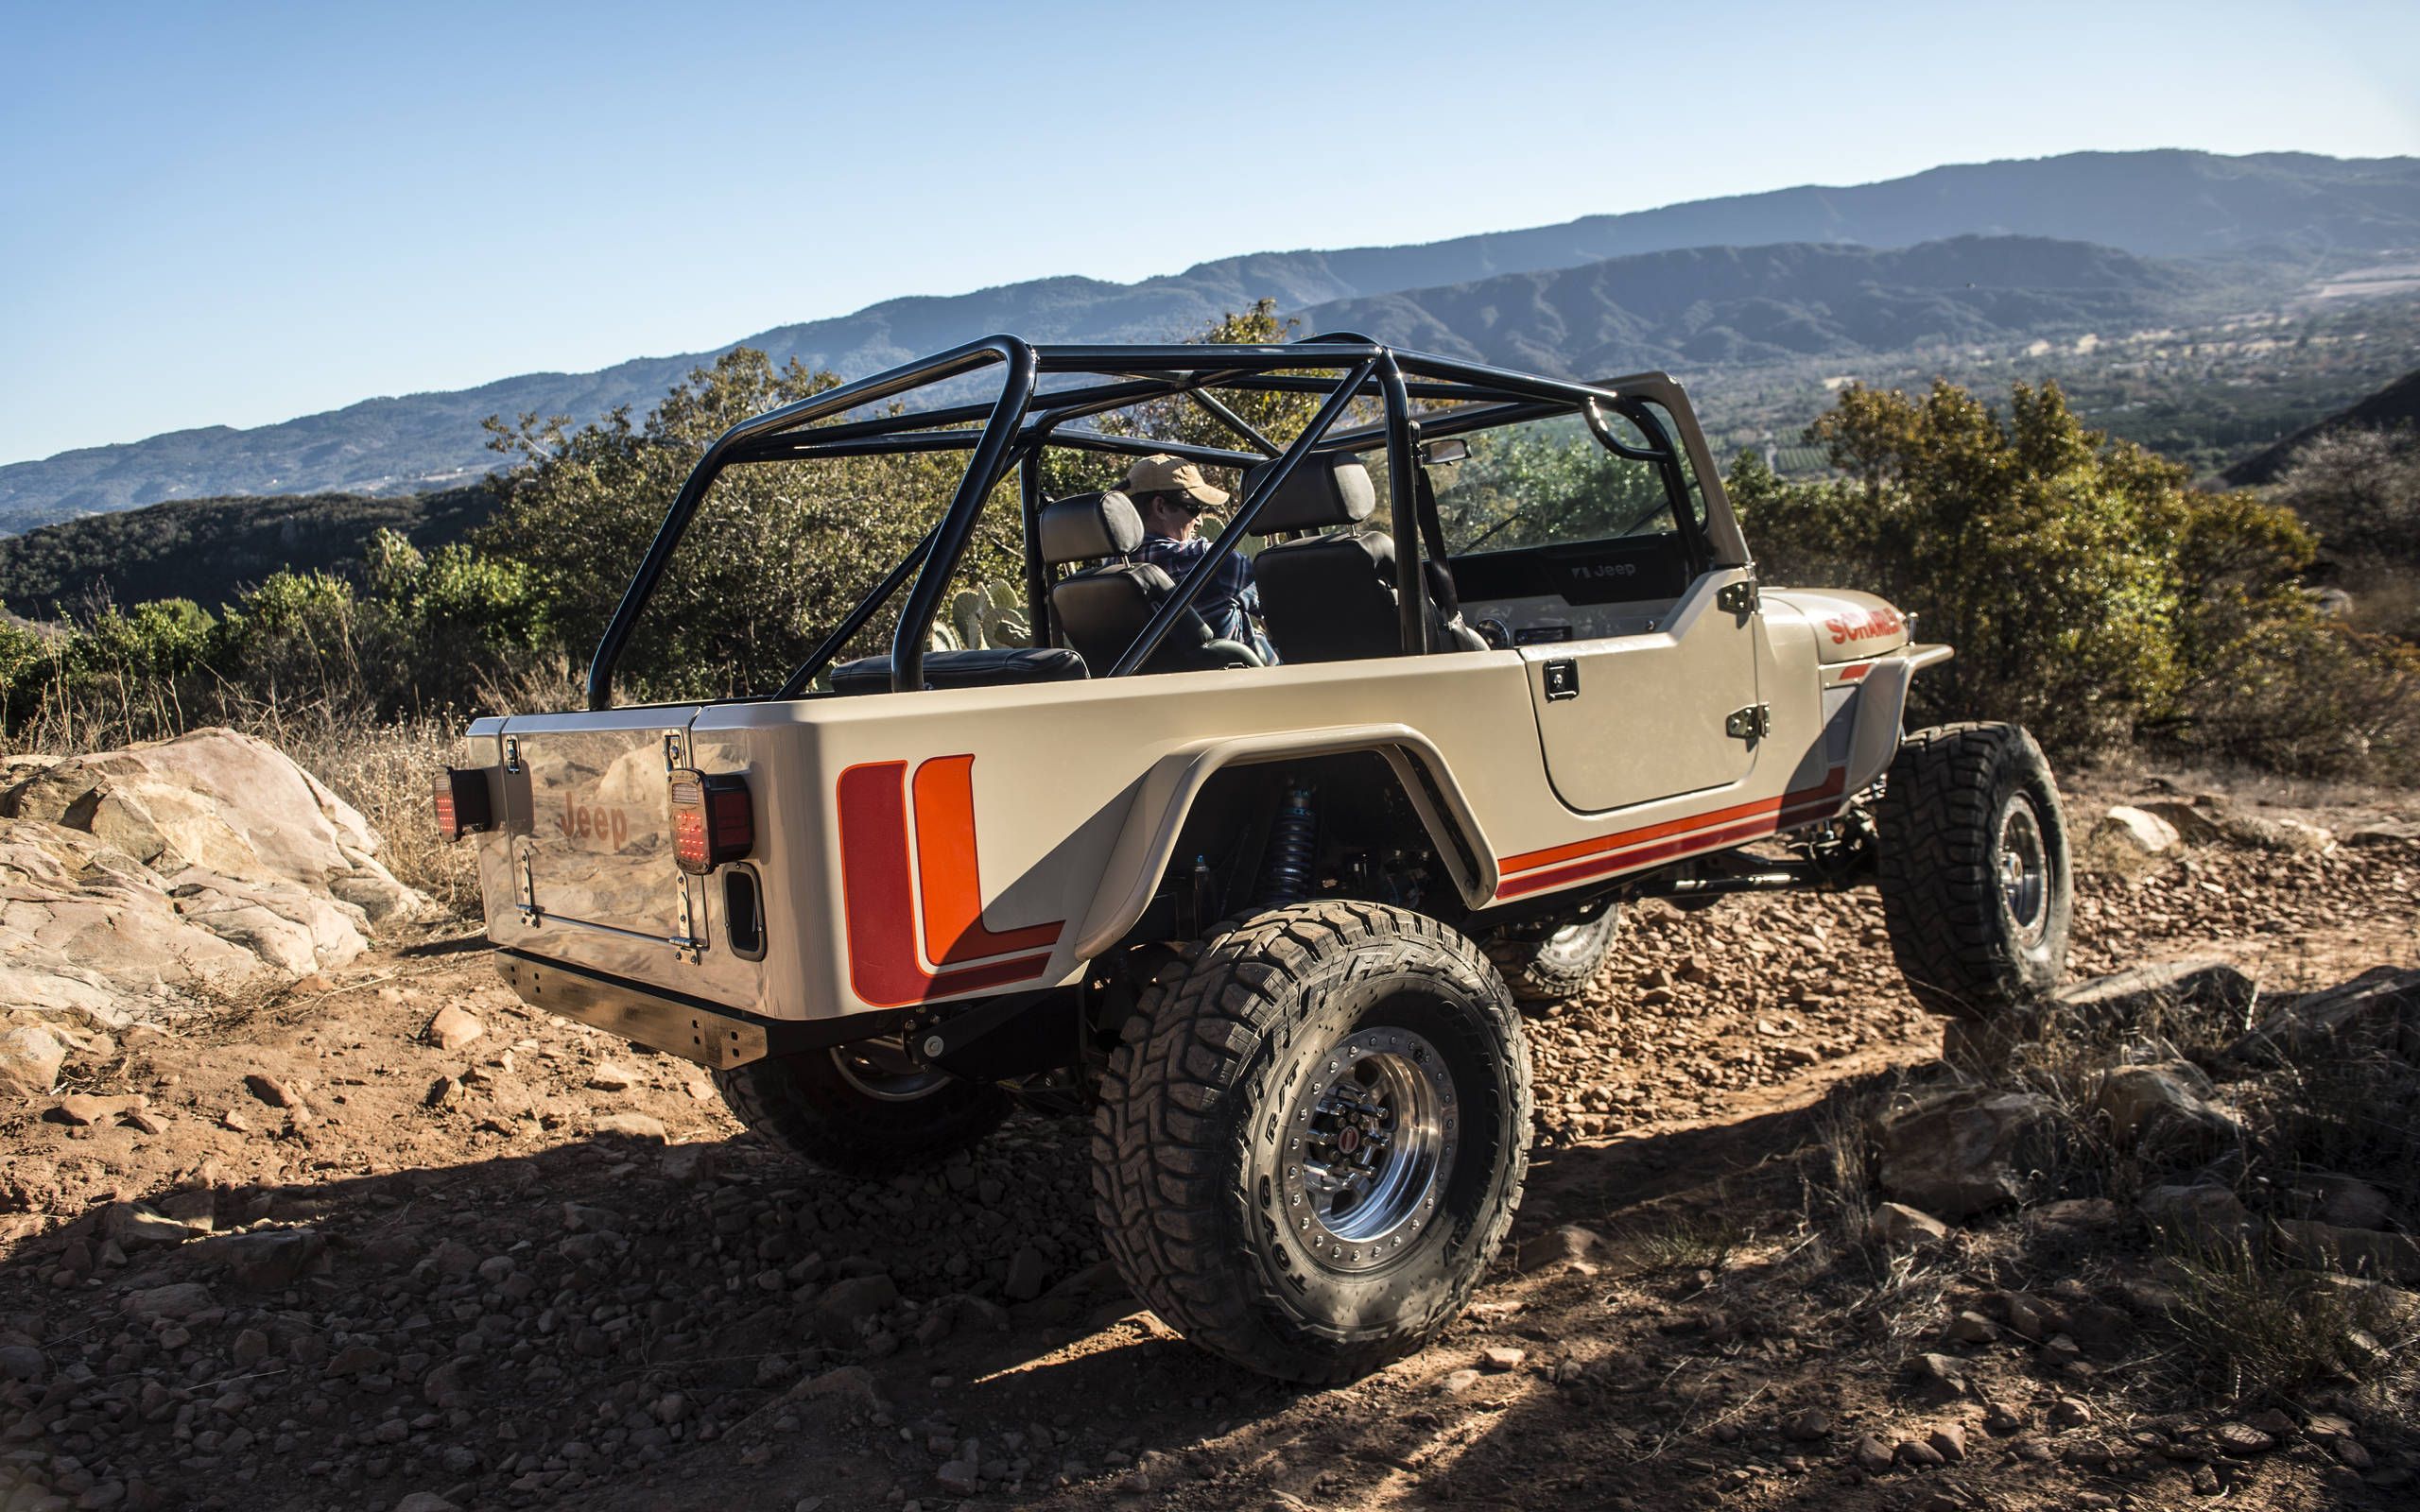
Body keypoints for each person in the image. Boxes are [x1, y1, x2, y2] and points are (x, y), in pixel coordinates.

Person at [1123, 453, 1277, 663]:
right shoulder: (1212, 561)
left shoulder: (1111, 571)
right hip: (1244, 688)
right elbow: (1282, 610)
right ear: (1160, 507)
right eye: (1194, 508)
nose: (1199, 522)